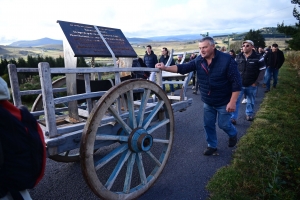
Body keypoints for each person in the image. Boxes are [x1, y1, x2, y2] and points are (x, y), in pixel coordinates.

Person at [155, 37, 242, 156]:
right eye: (200, 48)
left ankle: (233, 134)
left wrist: (232, 102)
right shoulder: (199, 60)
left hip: (223, 100)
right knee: (208, 124)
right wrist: (165, 68)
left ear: (213, 47)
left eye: (205, 47)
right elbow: (184, 67)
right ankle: (212, 146)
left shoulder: (227, 60)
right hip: (208, 100)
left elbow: (236, 82)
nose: (202, 50)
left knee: (224, 124)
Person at [230, 40, 266, 124]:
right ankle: (233, 118)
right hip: (239, 84)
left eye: (247, 45)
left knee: (250, 100)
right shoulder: (238, 56)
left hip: (252, 84)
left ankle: (249, 114)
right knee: (235, 101)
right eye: (243, 45)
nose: (245, 47)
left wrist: (256, 82)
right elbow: (233, 69)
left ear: (252, 47)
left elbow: (262, 70)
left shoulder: (258, 57)